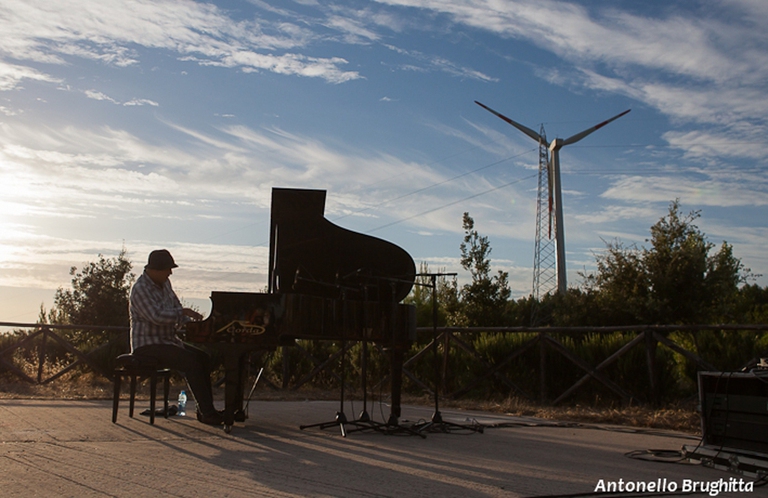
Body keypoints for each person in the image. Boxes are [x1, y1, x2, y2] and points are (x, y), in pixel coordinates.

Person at [129, 249, 223, 425]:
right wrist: (182, 313)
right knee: (191, 362)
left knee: (203, 358)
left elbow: (176, 308)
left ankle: (205, 410)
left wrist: (192, 322)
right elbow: (156, 316)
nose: (170, 273)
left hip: (167, 342)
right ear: (155, 270)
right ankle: (208, 413)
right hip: (148, 345)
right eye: (167, 269)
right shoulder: (140, 289)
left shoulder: (166, 285)